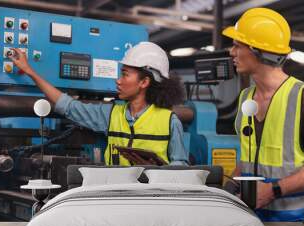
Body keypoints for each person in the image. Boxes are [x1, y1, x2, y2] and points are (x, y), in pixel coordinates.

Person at [222, 8, 304, 221]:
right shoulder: (245, 98)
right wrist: (228, 186)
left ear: (257, 50)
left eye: (237, 46)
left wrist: (272, 191)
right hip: (256, 223)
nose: (231, 52)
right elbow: (252, 157)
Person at [10, 42, 188, 165]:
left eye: (125, 74)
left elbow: (180, 167)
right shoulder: (111, 115)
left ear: (144, 82)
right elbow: (69, 106)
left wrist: (160, 171)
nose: (118, 81)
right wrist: (29, 71)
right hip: (116, 201)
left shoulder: (169, 121)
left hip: (152, 203)